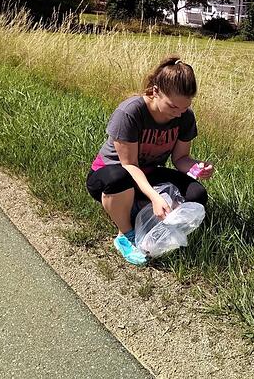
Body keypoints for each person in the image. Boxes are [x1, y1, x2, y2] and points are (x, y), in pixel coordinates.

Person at [85, 54, 215, 265]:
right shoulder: (130, 112)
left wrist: (196, 168)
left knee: (197, 194)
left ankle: (139, 211)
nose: (179, 113)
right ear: (155, 92)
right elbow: (129, 165)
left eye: (184, 107)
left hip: (148, 173)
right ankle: (126, 235)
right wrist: (155, 196)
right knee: (118, 178)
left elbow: (180, 158)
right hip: (112, 174)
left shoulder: (185, 116)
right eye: (173, 107)